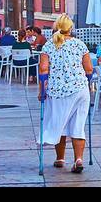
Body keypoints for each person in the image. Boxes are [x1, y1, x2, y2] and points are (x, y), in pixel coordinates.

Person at [37, 15, 92, 172]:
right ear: (71, 29)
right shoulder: (79, 44)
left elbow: (43, 70)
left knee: (59, 123)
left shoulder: (48, 46)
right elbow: (88, 69)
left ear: (56, 28)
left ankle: (60, 158)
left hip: (58, 91)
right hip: (80, 89)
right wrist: (86, 81)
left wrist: (42, 90)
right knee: (78, 124)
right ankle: (79, 159)